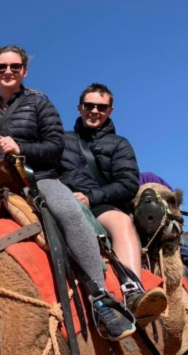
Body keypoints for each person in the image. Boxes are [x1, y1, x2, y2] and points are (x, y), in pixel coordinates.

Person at [0, 45, 136, 341]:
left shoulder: (40, 104)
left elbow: (55, 146)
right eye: (2, 67)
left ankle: (101, 298)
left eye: (15, 66)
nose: (8, 72)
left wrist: (21, 148)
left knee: (69, 213)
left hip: (37, 181)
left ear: (24, 71)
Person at [58, 83, 167, 320]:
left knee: (121, 223)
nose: (94, 111)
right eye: (89, 105)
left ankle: (132, 292)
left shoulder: (120, 144)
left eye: (101, 107)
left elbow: (127, 184)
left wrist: (90, 197)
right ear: (80, 107)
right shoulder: (61, 140)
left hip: (101, 205)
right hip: (63, 201)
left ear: (110, 111)